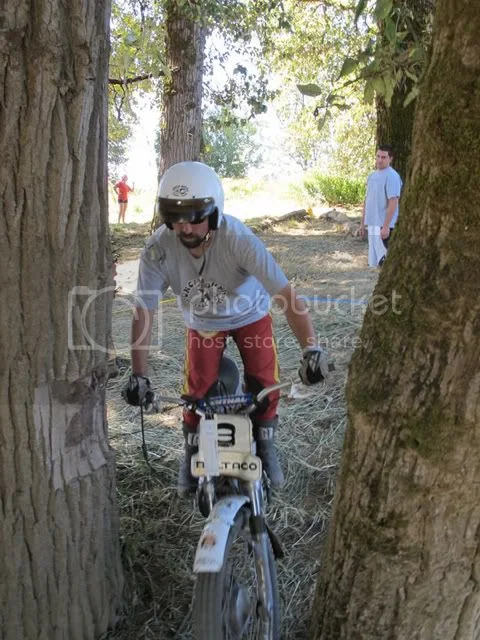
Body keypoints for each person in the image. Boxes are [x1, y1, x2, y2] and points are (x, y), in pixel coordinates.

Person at [122, 161, 329, 497]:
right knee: (196, 389)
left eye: (195, 216)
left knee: (265, 380)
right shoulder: (158, 249)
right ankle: (191, 452)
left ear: (215, 212)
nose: (185, 228)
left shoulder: (238, 239)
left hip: (250, 314)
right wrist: (138, 374)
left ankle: (265, 444)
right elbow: (144, 311)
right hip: (202, 322)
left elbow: (287, 296)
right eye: (175, 217)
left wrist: (312, 349)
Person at [360, 145, 402, 267]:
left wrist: (386, 226)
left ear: (390, 159)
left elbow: (393, 202)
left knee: (385, 263)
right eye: (378, 156)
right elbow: (367, 201)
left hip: (384, 227)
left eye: (383, 157)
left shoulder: (392, 176)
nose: (379, 160)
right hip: (372, 225)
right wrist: (363, 224)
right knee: (374, 264)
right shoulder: (371, 176)